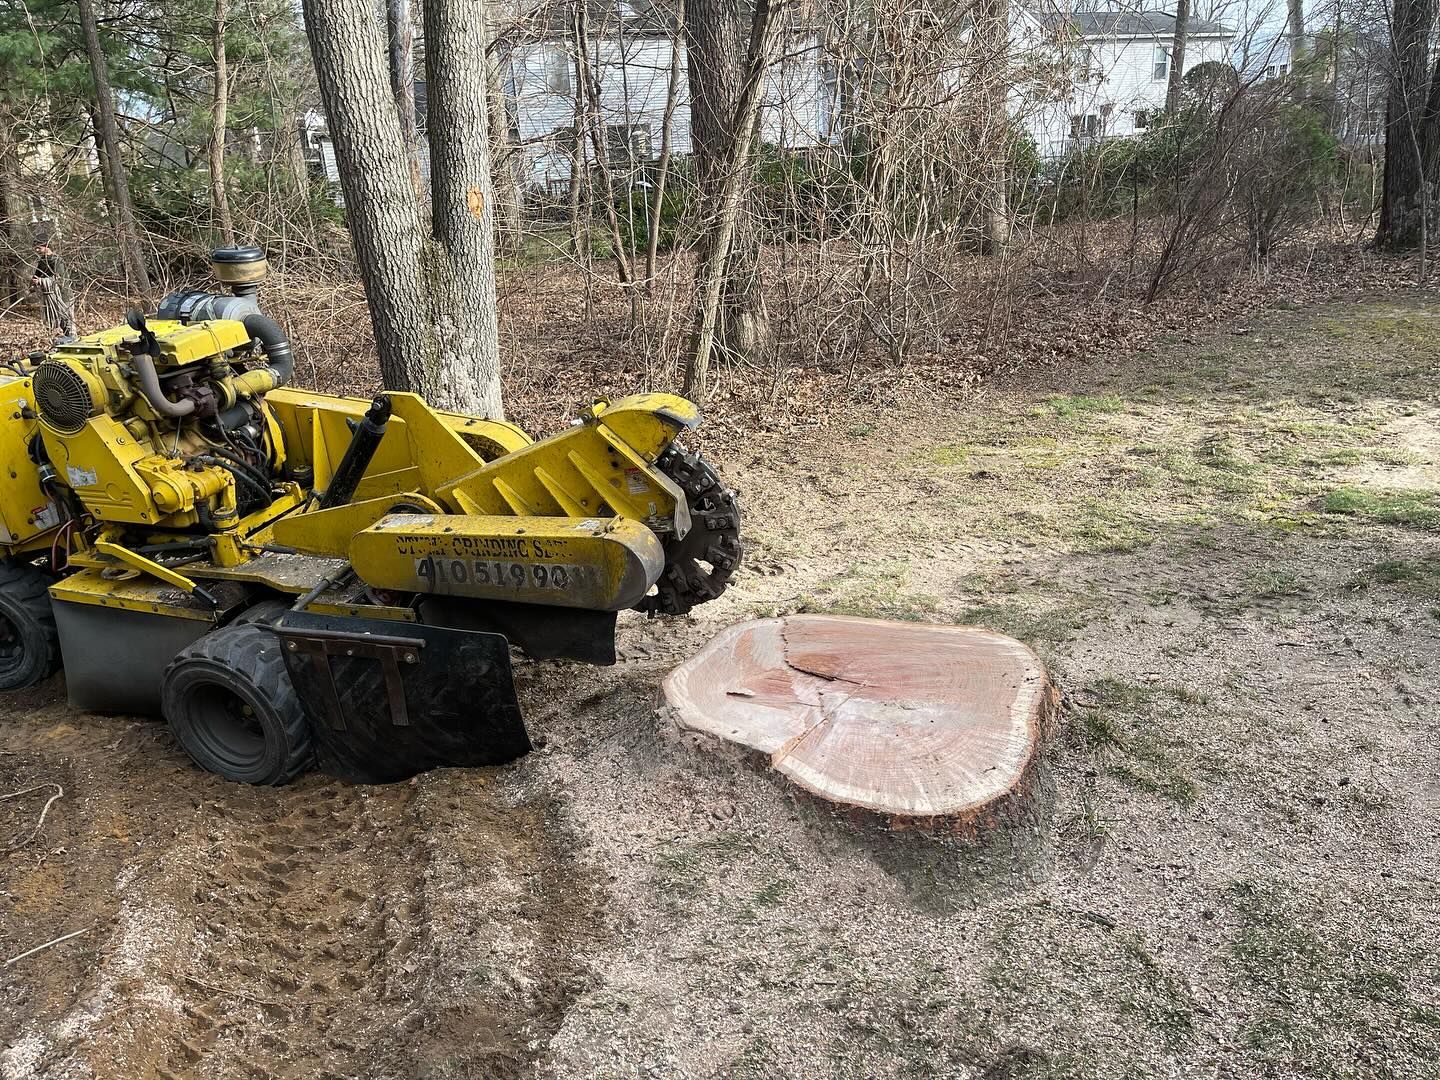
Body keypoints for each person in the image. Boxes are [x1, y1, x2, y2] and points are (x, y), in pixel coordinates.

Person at [31, 240, 76, 339]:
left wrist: (42, 281)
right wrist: (33, 284)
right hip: (51, 297)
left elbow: (59, 278)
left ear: (46, 246)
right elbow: (36, 276)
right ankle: (65, 340)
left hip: (63, 295)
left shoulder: (56, 260)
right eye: (36, 248)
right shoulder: (42, 261)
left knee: (67, 319)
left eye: (39, 248)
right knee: (57, 320)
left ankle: (72, 339)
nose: (37, 250)